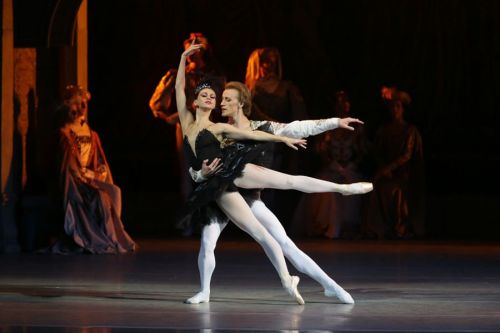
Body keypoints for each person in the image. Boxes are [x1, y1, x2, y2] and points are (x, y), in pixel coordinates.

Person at [176, 44, 372, 305]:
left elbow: (297, 127)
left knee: (285, 243)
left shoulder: (254, 126)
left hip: (249, 197)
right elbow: (197, 157)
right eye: (218, 99)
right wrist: (199, 174)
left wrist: (334, 122)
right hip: (219, 195)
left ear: (240, 103)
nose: (220, 102)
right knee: (207, 242)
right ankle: (205, 291)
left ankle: (331, 285)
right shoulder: (216, 128)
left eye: (226, 99)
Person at [48, 85, 136, 254]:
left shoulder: (91, 133)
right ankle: (93, 235)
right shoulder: (65, 134)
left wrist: (97, 172)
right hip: (76, 181)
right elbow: (68, 167)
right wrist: (82, 176)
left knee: (114, 192)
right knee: (99, 197)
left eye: (83, 104)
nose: (80, 108)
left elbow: (100, 162)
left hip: (89, 177)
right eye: (75, 104)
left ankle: (112, 235)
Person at [149, 33, 223, 206]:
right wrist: (168, 116)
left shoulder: (213, 76)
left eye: (197, 44)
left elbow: (219, 101)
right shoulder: (179, 74)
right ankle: (190, 216)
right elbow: (157, 102)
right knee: (187, 171)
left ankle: (207, 215)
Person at [245, 47, 309, 227]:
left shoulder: (287, 88)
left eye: (273, 62)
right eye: (266, 61)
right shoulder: (250, 90)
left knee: (273, 184)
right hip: (256, 141)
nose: (270, 66)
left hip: (280, 143)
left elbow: (300, 116)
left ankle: (271, 224)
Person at [292, 91, 368, 239]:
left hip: (350, 169)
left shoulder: (357, 128)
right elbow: (322, 152)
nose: (342, 106)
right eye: (339, 103)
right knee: (326, 188)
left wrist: (349, 166)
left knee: (353, 187)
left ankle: (350, 227)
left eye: (345, 102)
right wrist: (333, 165)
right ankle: (325, 226)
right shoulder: (328, 127)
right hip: (331, 169)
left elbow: (362, 153)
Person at [364, 86, 425, 239]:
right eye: (392, 107)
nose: (395, 110)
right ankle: (377, 227)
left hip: (403, 173)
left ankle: (400, 227)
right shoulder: (384, 130)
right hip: (387, 172)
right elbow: (377, 151)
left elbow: (407, 155)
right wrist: (383, 168)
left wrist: (390, 168)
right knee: (374, 187)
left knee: (397, 190)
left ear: (403, 109)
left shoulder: (410, 130)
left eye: (398, 107)